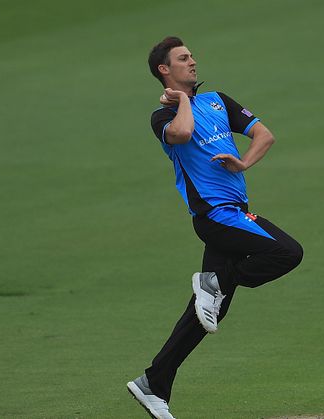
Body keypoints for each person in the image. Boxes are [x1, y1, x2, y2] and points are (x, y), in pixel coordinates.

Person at [127, 36, 303, 419]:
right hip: (216, 217)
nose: (193, 62)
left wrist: (243, 164)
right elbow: (184, 134)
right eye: (183, 58)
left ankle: (153, 382)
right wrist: (184, 101)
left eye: (191, 56)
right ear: (164, 70)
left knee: (208, 313)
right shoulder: (162, 118)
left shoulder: (219, 100)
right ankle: (215, 284)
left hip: (234, 210)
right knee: (287, 252)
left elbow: (264, 135)